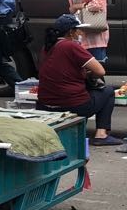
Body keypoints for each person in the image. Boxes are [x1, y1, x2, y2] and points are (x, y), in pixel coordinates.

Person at [37, 15, 120, 146]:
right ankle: (101, 134)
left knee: (83, 91)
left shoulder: (46, 48)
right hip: (72, 105)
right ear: (71, 32)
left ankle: (77, 132)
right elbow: (100, 71)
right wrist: (88, 75)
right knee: (108, 92)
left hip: (44, 103)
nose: (80, 33)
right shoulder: (71, 46)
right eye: (78, 30)